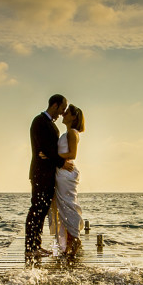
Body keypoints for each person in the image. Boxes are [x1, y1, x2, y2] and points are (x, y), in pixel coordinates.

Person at [25, 94, 72, 262]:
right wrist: (61, 162)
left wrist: (52, 156)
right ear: (55, 105)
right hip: (40, 172)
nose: (63, 111)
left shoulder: (50, 124)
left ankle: (35, 245)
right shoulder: (39, 122)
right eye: (62, 107)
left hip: (48, 172)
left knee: (42, 211)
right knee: (36, 209)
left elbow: (49, 151)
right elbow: (45, 148)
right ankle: (31, 248)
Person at [49, 104, 85, 257]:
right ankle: (69, 243)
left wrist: (51, 157)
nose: (63, 114)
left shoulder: (72, 133)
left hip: (66, 172)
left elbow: (72, 154)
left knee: (67, 205)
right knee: (64, 206)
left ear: (74, 117)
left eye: (67, 112)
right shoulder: (68, 132)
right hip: (62, 171)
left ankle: (75, 237)